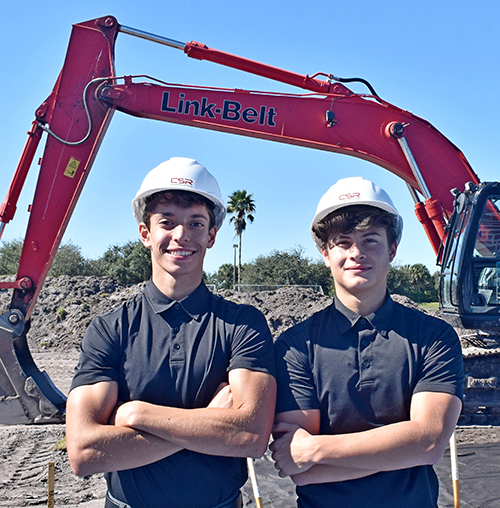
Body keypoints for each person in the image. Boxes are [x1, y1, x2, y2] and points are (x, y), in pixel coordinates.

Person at [66, 157, 277, 508]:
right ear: (145, 233)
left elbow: (251, 436)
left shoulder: (242, 325)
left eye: (196, 223)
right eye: (167, 222)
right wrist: (211, 420)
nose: (181, 235)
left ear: (211, 235)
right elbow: (85, 451)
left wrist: (136, 415)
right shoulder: (109, 329)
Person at [270, 176, 463, 507]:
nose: (356, 253)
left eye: (370, 240)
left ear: (392, 249)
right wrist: (400, 447)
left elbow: (429, 443)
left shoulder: (433, 337)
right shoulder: (294, 346)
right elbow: (298, 468)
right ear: (325, 254)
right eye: (343, 242)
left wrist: (318, 449)